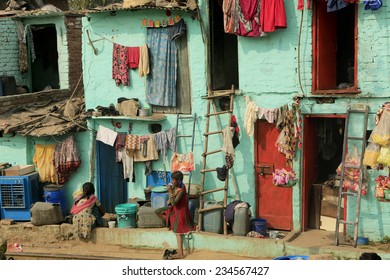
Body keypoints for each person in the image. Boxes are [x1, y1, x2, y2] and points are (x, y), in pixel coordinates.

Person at [156, 171, 195, 259]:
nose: (172, 181)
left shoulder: (182, 189)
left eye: (173, 180)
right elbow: (171, 199)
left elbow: (174, 203)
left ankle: (180, 253)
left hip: (180, 212)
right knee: (158, 211)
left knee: (178, 232)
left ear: (178, 180)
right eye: (172, 179)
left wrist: (170, 192)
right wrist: (170, 194)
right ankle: (170, 222)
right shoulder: (175, 186)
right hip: (174, 210)